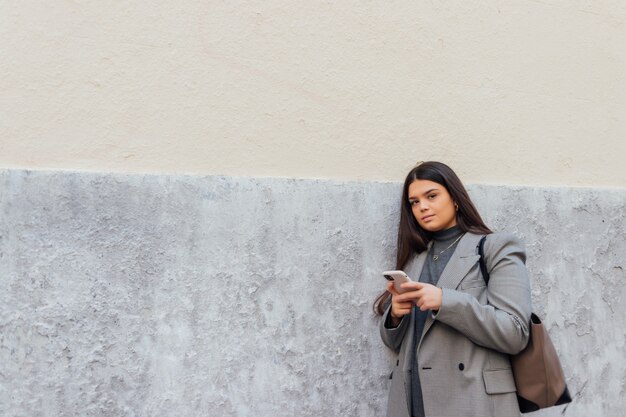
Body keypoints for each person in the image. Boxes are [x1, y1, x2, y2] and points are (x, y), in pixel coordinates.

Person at [373, 161, 532, 417]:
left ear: (455, 199)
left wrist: (444, 301)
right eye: (414, 202)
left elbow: (514, 333)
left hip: (472, 400)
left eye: (431, 196)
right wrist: (395, 316)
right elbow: (394, 344)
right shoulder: (415, 258)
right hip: (413, 400)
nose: (422, 206)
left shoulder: (496, 247)